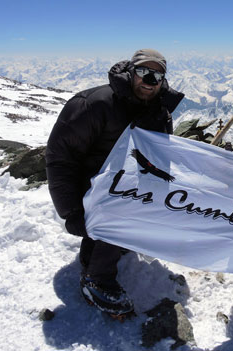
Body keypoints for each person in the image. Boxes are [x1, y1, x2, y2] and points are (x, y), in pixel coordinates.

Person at [46, 49, 184, 316]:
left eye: (157, 75)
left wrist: (161, 198)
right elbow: (60, 157)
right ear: (131, 72)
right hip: (90, 187)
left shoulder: (160, 110)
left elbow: (160, 158)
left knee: (132, 203)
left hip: (124, 185)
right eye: (144, 72)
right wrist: (71, 211)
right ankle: (96, 278)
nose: (149, 80)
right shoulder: (95, 104)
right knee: (120, 205)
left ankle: (107, 245)